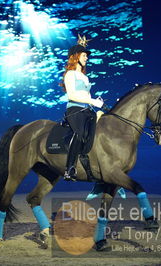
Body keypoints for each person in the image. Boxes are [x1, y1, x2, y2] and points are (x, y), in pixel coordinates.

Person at [61, 34, 104, 181]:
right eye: (84, 55)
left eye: (86, 55)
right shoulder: (70, 74)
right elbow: (72, 95)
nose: (87, 58)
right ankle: (70, 168)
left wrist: (95, 104)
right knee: (79, 133)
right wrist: (92, 101)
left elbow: (87, 96)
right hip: (74, 110)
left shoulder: (85, 77)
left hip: (86, 110)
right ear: (76, 56)